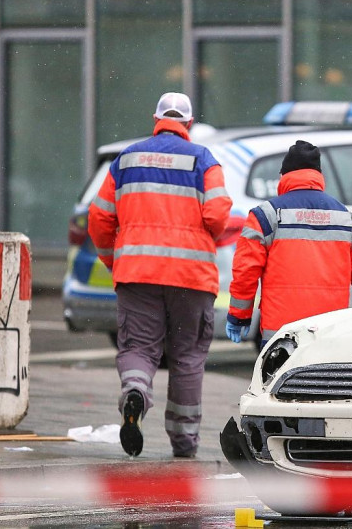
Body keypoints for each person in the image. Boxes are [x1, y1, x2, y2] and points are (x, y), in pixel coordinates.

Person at [88, 92, 232, 458]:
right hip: (191, 278)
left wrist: (113, 260)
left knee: (139, 348)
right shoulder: (204, 160)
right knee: (186, 358)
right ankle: (184, 444)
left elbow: (100, 217)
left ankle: (135, 391)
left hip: (137, 274)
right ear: (189, 124)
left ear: (155, 119)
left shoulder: (127, 159)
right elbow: (217, 215)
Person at [225, 140, 352, 347]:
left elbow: (246, 271)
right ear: (319, 176)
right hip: (331, 333)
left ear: (284, 176)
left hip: (281, 335)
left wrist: (239, 316)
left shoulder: (265, 216)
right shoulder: (350, 219)